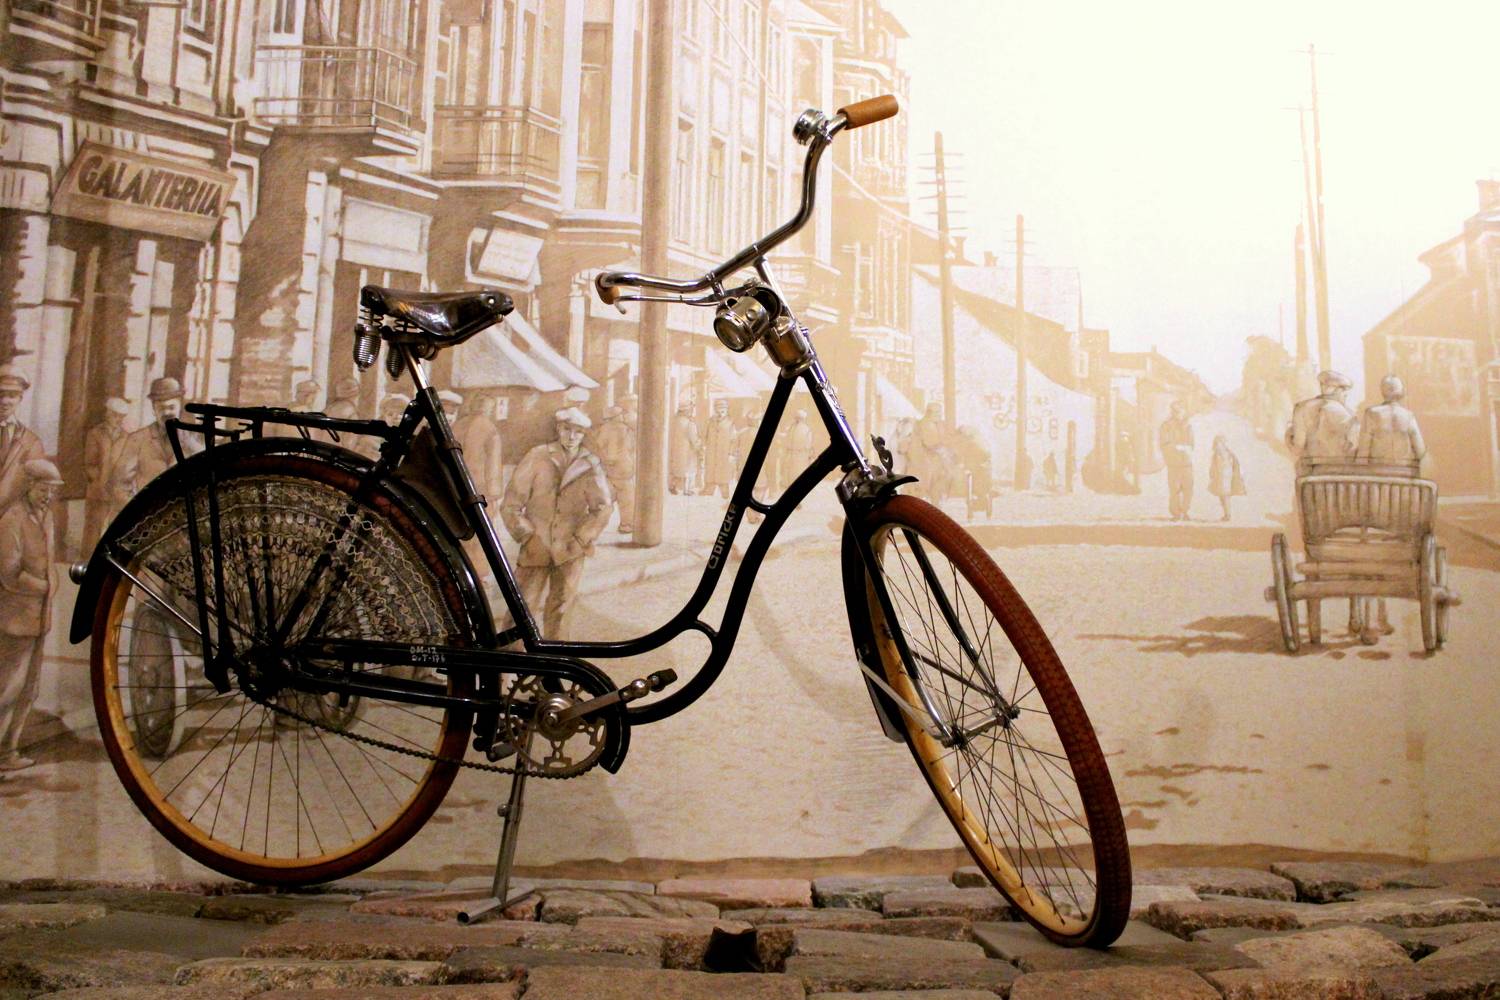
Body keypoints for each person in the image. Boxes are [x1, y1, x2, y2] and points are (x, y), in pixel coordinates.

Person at [499, 407, 612, 638]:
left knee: (561, 608)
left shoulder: (590, 464)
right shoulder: (537, 456)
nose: (571, 436)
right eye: (567, 429)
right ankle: (512, 656)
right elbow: (511, 503)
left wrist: (581, 539)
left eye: (578, 432)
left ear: (583, 435)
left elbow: (602, 508)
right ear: (559, 429)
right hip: (536, 546)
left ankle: (556, 656)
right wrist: (526, 535)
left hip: (570, 550)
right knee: (522, 607)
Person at [0, 459, 63, 771]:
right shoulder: (12, 519)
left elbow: (48, 560)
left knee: (30, 689)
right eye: (43, 489)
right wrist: (45, 586)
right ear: (28, 486)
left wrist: (53, 579)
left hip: (39, 618)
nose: (48, 496)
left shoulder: (46, 516)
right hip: (15, 620)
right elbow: (9, 574)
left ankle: (9, 750)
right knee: (8, 688)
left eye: (52, 490)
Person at [121, 377, 199, 492]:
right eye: (161, 408)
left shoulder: (192, 441)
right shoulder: (137, 440)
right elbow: (119, 484)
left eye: (171, 407)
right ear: (153, 409)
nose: (167, 413)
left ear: (179, 408)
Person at [83, 397, 133, 548]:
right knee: (94, 526)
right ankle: (88, 556)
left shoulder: (126, 437)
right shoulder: (95, 434)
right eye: (115, 415)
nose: (118, 420)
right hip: (98, 489)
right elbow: (90, 464)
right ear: (107, 414)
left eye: (121, 417)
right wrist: (99, 481)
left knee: (116, 527)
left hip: (118, 490)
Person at [1286, 370, 1358, 467]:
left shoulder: (1301, 407)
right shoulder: (1347, 414)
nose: (1345, 396)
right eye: (1344, 392)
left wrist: (1288, 436)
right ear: (1338, 391)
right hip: (1339, 468)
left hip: (1309, 469)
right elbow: (1354, 448)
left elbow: (1298, 448)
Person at [0, 365, 46, 514]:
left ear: (20, 398)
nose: (5, 401)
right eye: (0, 394)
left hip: (12, 520)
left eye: (12, 395)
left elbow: (36, 487)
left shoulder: (31, 442)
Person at [1357, 375, 1426, 465]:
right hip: (1402, 470)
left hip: (1377, 470)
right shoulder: (1408, 416)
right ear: (1401, 391)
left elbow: (1363, 451)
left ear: (1382, 391)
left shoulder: (1371, 414)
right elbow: (1421, 452)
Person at [593, 401, 637, 534]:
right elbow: (632, 447)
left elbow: (598, 447)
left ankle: (596, 526)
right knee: (627, 499)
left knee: (605, 498)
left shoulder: (603, 429)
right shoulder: (627, 430)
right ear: (617, 416)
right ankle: (626, 525)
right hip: (624, 468)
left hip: (607, 468)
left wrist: (604, 459)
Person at [453, 393, 505, 503]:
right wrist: (494, 491)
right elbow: (493, 462)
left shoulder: (457, 425)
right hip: (479, 485)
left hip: (454, 480)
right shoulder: (490, 429)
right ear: (489, 409)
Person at [1159, 401, 1194, 521]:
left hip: (1187, 462)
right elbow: (1164, 443)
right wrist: (1176, 447)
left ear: (1184, 412)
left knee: (1188, 488)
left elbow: (1191, 443)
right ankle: (1176, 513)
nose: (1177, 413)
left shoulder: (1188, 426)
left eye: (1180, 411)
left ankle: (1185, 511)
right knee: (1175, 489)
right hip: (1173, 463)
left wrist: (1187, 448)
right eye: (1175, 411)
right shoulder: (1166, 426)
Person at [1207, 435, 1246, 522]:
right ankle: (1226, 514)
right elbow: (1213, 467)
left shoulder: (1229, 454)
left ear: (1223, 444)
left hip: (1227, 478)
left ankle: (1228, 514)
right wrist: (1212, 475)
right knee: (1222, 496)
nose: (1218, 446)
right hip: (1219, 478)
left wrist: (1236, 476)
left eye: (1219, 443)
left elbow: (1235, 466)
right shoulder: (1215, 455)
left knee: (1226, 496)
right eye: (1216, 444)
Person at [702, 399, 736, 498]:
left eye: (722, 409)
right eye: (718, 409)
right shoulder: (710, 421)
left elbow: (734, 440)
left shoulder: (730, 422)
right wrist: (705, 447)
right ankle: (709, 490)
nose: (720, 412)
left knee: (723, 475)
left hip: (724, 452)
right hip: (711, 452)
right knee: (710, 472)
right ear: (715, 409)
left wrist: (731, 453)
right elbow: (704, 435)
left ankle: (725, 493)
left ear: (726, 410)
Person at [669, 401, 700, 495]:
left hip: (675, 450)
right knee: (688, 470)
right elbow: (694, 440)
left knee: (676, 470)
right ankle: (687, 490)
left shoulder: (674, 422)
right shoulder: (690, 424)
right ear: (687, 411)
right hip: (687, 451)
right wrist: (699, 446)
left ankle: (672, 486)